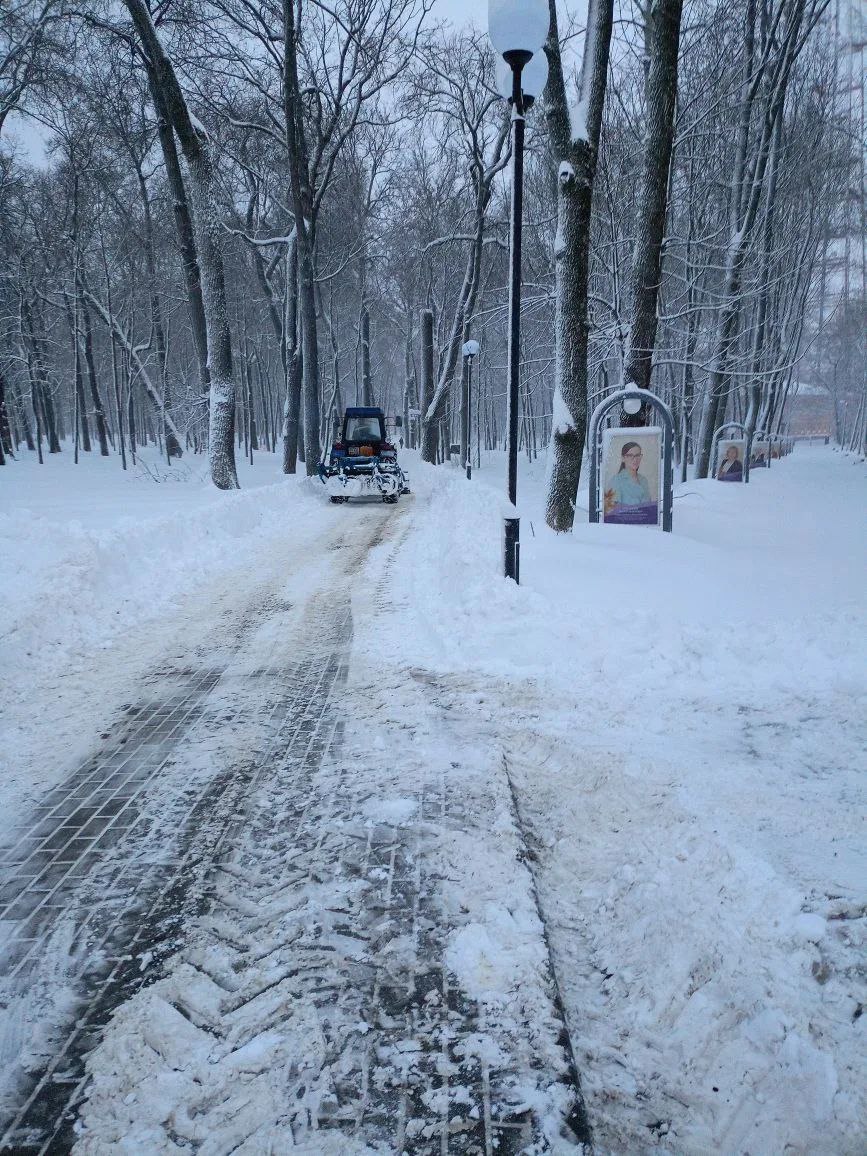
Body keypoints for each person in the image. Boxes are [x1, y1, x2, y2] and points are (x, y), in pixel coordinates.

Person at [605, 441, 652, 509]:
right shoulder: (616, 481)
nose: (635, 459)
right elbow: (611, 510)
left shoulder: (644, 480)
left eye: (637, 455)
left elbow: (649, 506)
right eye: (630, 455)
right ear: (623, 458)